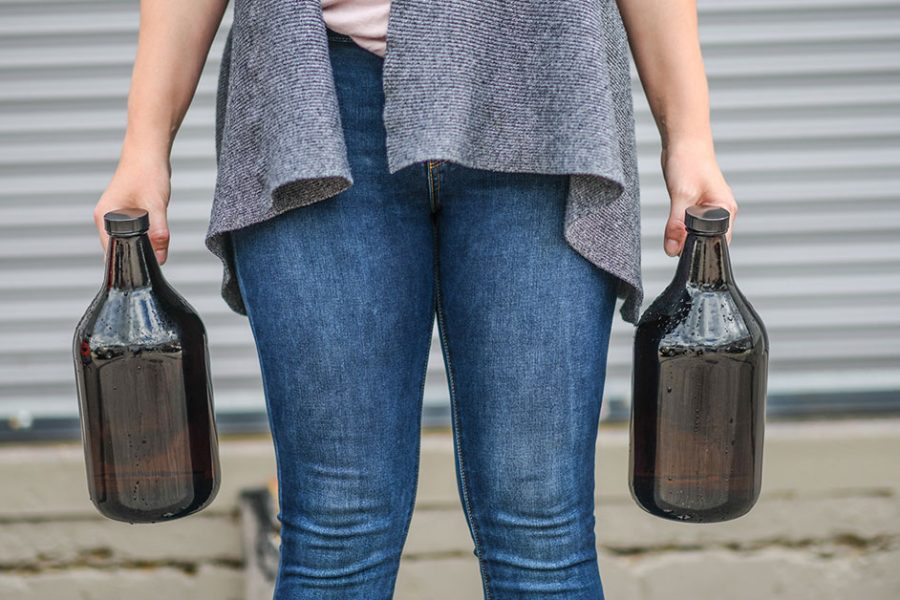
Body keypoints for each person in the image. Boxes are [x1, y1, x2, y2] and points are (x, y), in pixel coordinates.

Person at [93, 1, 737, 598]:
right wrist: (145, 145)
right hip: (315, 99)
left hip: (545, 94)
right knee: (337, 525)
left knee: (541, 521)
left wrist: (690, 136)